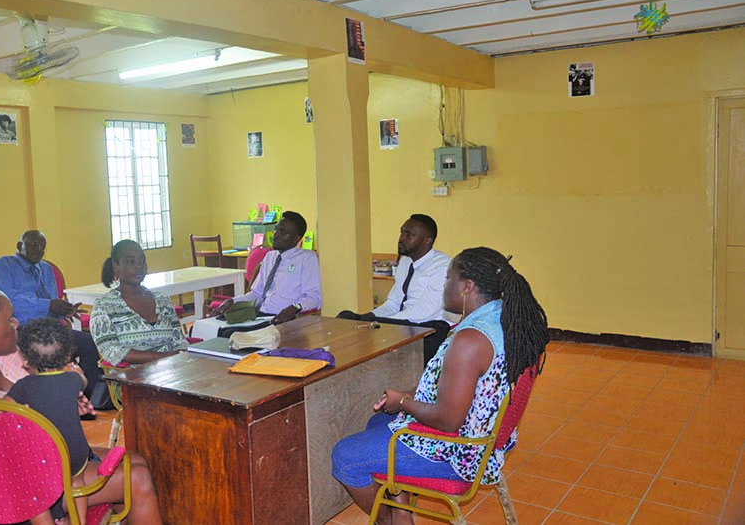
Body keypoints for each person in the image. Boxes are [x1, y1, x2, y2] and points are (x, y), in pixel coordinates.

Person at [0, 281, 164, 525]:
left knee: (135, 460)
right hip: (20, 489)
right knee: (136, 478)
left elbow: (26, 400)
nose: (16, 322)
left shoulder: (8, 354)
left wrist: (59, 397)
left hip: (43, 460)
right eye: (8, 319)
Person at [331, 247, 549, 525]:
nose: (445, 286)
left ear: (466, 287)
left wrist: (403, 402)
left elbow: (447, 420)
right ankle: (401, 515)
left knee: (344, 456)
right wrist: (408, 397)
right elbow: (470, 387)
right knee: (378, 423)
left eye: (449, 278)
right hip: (483, 440)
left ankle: (386, 521)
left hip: (458, 454)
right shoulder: (503, 318)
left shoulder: (470, 340)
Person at [0, 317, 93, 525]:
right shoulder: (73, 380)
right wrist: (76, 370)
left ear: (26, 362)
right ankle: (79, 520)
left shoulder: (26, 385)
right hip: (77, 453)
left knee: (33, 488)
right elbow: (83, 379)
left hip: (45, 458)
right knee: (77, 482)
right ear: (66, 356)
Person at [0, 230, 104, 407]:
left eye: (42, 246)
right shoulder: (3, 266)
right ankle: (50, 402)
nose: (39, 249)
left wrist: (64, 310)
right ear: (20, 246)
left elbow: (52, 301)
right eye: (34, 244)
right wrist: (48, 305)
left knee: (88, 344)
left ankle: (88, 399)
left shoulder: (46, 269)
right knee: (47, 353)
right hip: (19, 329)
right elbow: (7, 301)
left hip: (50, 328)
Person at [338, 214, 452, 363]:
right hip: (402, 324)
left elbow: (423, 312)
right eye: (402, 232)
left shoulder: (443, 266)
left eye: (409, 234)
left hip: (428, 329)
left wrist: (377, 323)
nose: (401, 238)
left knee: (365, 335)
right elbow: (394, 303)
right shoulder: (405, 261)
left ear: (427, 241)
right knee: (347, 319)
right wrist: (369, 316)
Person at [211, 211, 321, 325]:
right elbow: (257, 293)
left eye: (283, 232)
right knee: (213, 328)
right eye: (276, 229)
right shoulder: (270, 257)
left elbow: (315, 298)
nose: (276, 234)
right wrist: (232, 301)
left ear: (296, 238)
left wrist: (294, 308)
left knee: (230, 335)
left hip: (282, 319)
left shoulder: (307, 259)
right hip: (258, 315)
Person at [89, 240, 188, 366]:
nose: (139, 266)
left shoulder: (162, 300)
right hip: (131, 379)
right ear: (116, 267)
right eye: (131, 261)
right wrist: (165, 357)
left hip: (172, 372)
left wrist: (181, 357)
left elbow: (179, 340)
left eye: (142, 260)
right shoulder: (104, 306)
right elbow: (112, 351)